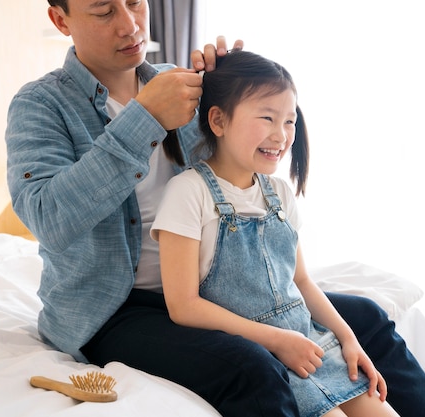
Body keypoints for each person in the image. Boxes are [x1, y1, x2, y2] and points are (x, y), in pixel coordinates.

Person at [5, 0, 425, 416]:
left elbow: (243, 162)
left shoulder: (185, 86)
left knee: (367, 319)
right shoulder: (41, 105)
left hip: (220, 288)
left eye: (136, 2)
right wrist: (145, 118)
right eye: (103, 11)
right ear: (61, 20)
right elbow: (49, 218)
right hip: (117, 309)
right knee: (250, 366)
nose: (129, 23)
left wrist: (235, 85)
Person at [151, 49, 400, 417]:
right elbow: (183, 305)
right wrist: (278, 340)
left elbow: (300, 280)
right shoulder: (189, 193)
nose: (281, 135)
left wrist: (348, 340)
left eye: (289, 121)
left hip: (310, 345)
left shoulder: (279, 192)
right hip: (263, 355)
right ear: (218, 120)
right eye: (267, 117)